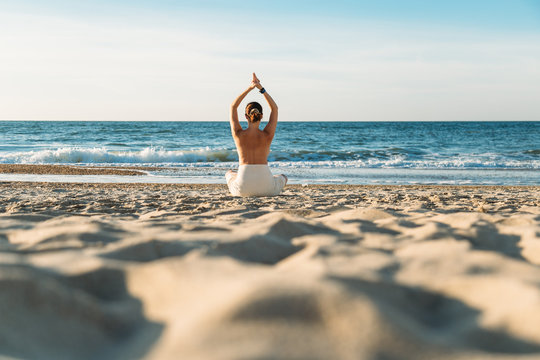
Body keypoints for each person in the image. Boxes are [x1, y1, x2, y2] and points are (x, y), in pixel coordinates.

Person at [226, 73, 287, 196]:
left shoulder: (238, 134)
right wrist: (261, 88)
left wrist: (250, 88)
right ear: (262, 116)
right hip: (267, 188)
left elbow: (233, 107)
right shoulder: (267, 134)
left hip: (243, 189)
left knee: (229, 173)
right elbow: (274, 108)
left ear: (245, 116)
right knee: (282, 177)